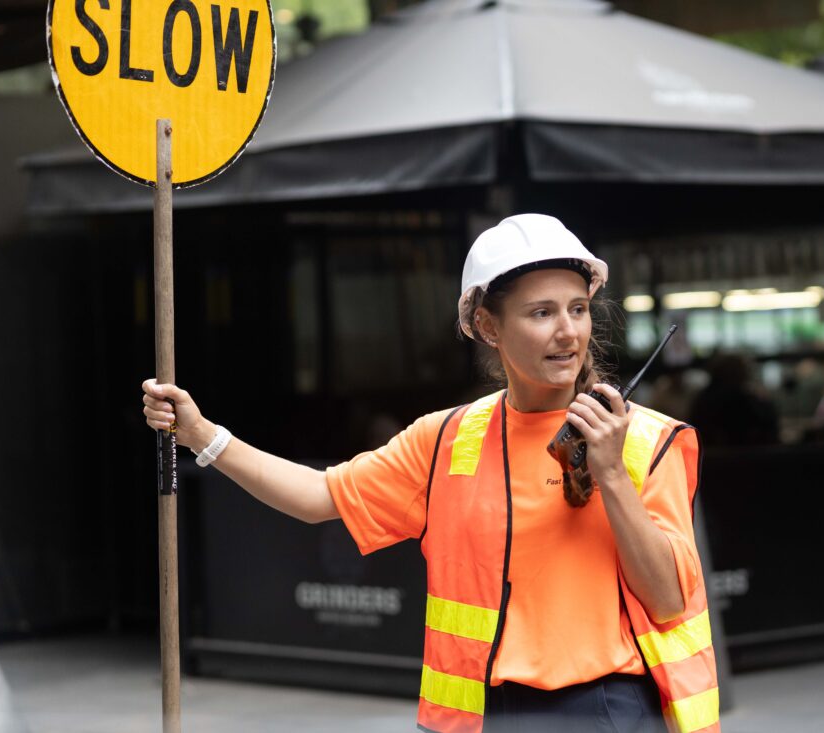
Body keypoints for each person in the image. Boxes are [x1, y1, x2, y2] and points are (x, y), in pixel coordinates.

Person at [141, 214, 720, 733]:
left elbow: (669, 601)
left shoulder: (647, 440)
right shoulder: (445, 439)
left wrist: (612, 475)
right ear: (489, 327)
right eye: (541, 313)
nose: (567, 331)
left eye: (576, 308)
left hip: (606, 711)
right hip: (479, 716)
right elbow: (319, 496)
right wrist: (203, 437)